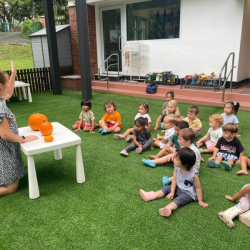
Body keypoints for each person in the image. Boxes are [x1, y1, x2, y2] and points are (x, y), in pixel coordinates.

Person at [0, 61, 38, 196]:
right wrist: (22, 138)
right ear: (0, 86)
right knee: (11, 187)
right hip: (4, 149)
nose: (10, 85)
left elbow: (8, 93)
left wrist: (13, 75)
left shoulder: (0, 100)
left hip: (4, 149)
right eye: (7, 82)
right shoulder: (0, 108)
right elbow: (5, 135)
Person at [140, 147, 208, 217]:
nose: (174, 159)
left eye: (177, 159)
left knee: (179, 199)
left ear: (185, 164)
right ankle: (151, 195)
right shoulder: (177, 168)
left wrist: (200, 201)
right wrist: (172, 192)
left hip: (188, 193)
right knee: (166, 188)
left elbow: (198, 188)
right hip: (179, 188)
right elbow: (174, 180)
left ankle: (168, 208)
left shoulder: (193, 174)